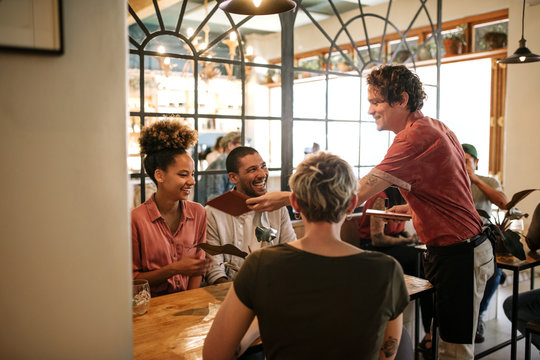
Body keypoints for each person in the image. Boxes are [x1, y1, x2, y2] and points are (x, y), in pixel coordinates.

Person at [245, 65, 494, 360]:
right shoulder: (435, 126)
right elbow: (454, 187)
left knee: (454, 351)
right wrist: (416, 206)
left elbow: (353, 194)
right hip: (465, 247)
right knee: (446, 342)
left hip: (460, 254)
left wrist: (287, 197)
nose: (370, 110)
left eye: (376, 102)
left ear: (401, 99)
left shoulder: (412, 138)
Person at [203, 152, 409, 360]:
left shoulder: (261, 265)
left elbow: (214, 354)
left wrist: (257, 322)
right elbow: (388, 354)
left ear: (295, 203)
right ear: (352, 203)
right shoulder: (387, 270)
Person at [131, 120, 212, 297]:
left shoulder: (198, 212)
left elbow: (197, 269)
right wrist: (174, 269)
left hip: (189, 304)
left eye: (192, 174)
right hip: (151, 308)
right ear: (159, 175)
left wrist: (189, 302)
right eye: (183, 175)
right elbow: (133, 279)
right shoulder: (136, 219)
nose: (192, 181)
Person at [205, 146, 296, 285]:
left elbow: (291, 252)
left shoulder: (277, 207)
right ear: (233, 177)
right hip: (230, 290)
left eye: (263, 166)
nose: (262, 174)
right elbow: (214, 269)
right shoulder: (214, 211)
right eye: (252, 170)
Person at [462, 143, 508, 343]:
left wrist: (475, 180)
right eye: (458, 161)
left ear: (476, 162)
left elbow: (504, 203)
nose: (462, 166)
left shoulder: (488, 181)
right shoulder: (452, 181)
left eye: (466, 161)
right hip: (459, 243)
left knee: (495, 272)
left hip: (484, 241)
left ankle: (478, 315)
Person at [197, 131, 241, 204]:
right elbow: (214, 197)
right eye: (241, 144)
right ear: (230, 145)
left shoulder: (228, 163)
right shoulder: (220, 165)